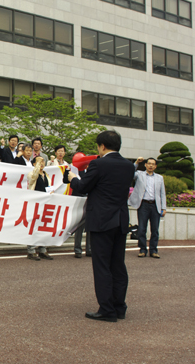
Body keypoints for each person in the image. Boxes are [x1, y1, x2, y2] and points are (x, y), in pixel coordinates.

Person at [68, 130, 135, 322]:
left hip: (102, 221)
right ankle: (119, 307)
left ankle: (106, 310)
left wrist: (73, 177)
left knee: (102, 266)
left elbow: (82, 188)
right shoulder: (129, 166)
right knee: (118, 265)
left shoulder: (98, 164)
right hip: (120, 220)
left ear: (102, 146)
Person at [129, 157, 166, 259]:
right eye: (149, 163)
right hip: (143, 205)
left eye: (152, 164)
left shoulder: (159, 178)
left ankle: (153, 250)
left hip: (155, 205)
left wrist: (164, 207)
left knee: (155, 230)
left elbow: (162, 193)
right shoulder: (139, 175)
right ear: (145, 165)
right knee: (141, 229)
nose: (150, 165)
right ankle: (142, 249)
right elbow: (130, 173)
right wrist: (136, 162)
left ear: (155, 166)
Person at [26, 157, 54, 261]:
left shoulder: (46, 175)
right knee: (33, 227)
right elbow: (33, 177)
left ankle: (43, 249)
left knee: (44, 226)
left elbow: (49, 187)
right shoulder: (31, 173)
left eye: (42, 161)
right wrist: (37, 166)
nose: (41, 163)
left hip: (45, 203)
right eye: (38, 161)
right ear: (33, 164)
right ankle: (31, 250)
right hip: (35, 203)